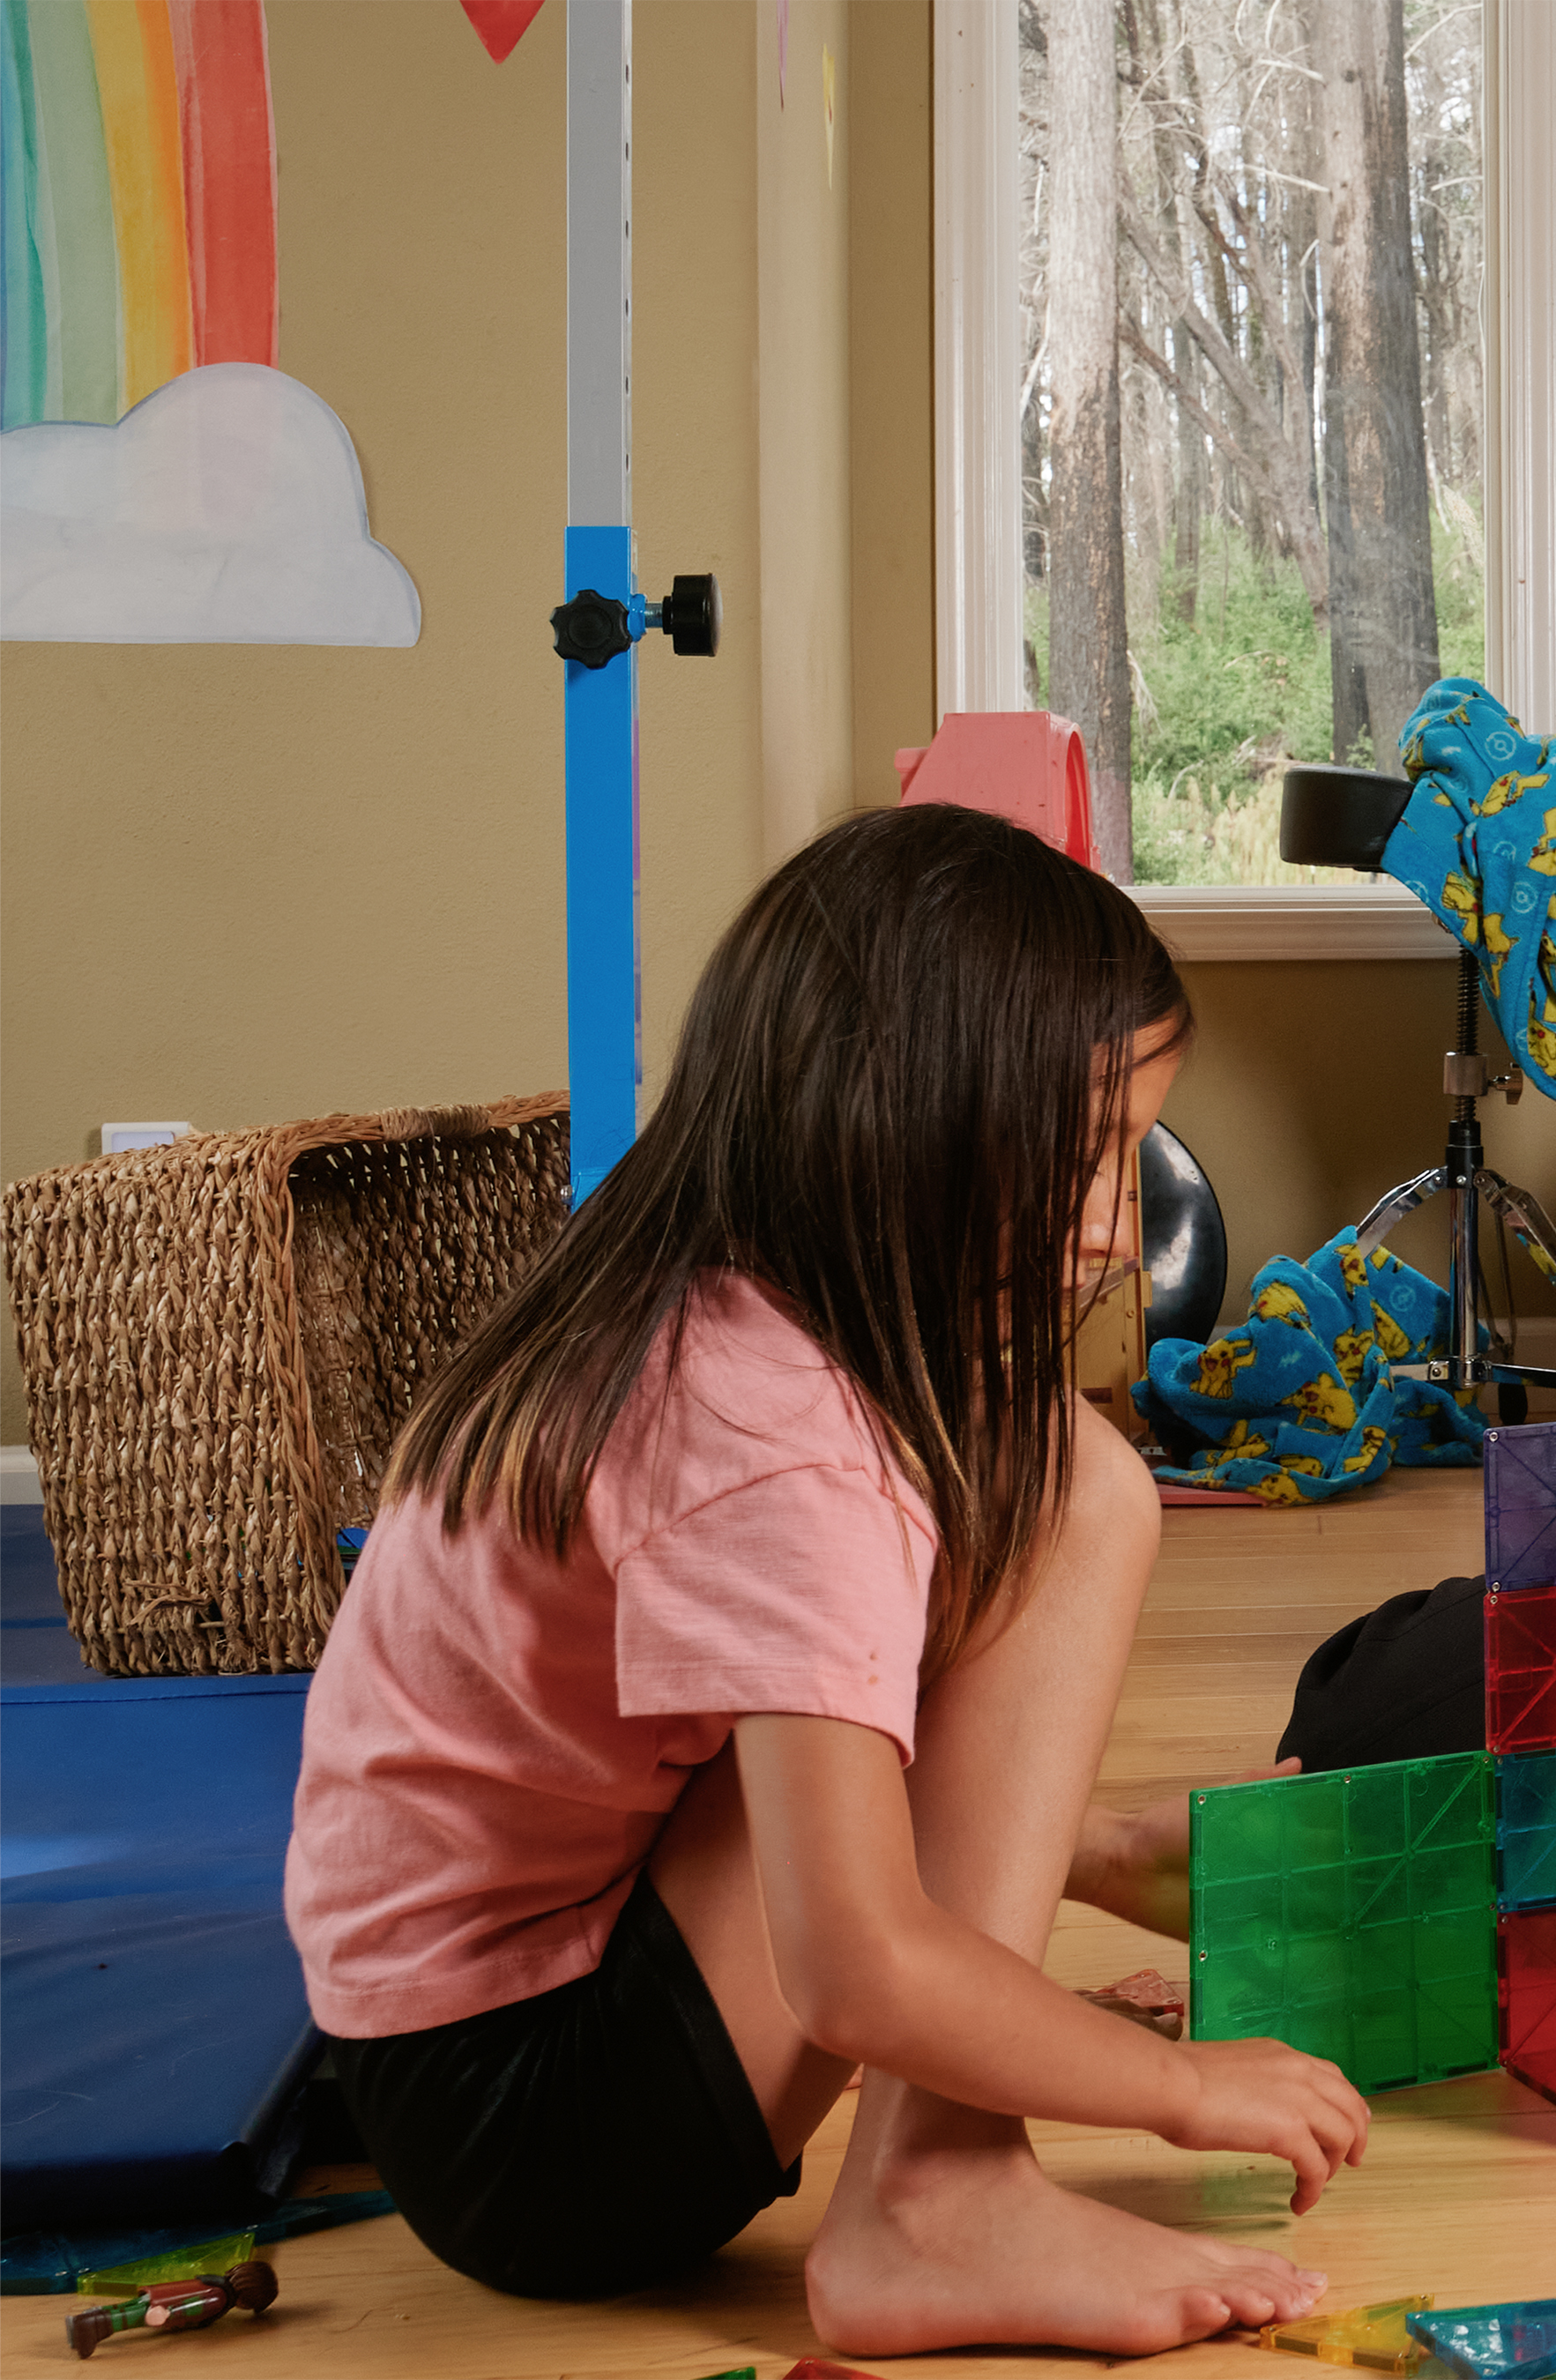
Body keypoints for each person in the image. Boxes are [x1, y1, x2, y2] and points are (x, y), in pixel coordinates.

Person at [286, 804, 1364, 2356]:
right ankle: (937, 2196)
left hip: (467, 2042)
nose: (1127, 1237)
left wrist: (1054, 1861)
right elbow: (855, 1969)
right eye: (1091, 1161)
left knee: (1048, 1471)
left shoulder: (697, 1298)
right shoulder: (768, 1436)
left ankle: (960, 2126)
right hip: (533, 2122)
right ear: (897, 1122)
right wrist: (1181, 2089)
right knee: (1068, 1496)